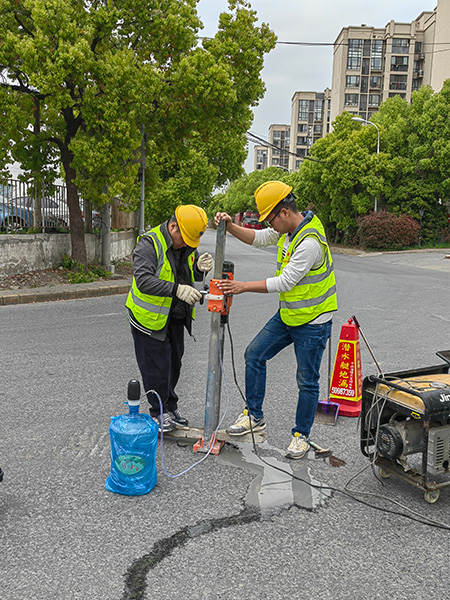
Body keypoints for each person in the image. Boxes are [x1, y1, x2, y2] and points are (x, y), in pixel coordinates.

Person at [215, 181, 337, 459]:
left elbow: (285, 281)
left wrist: (243, 286)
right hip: (289, 315)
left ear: (284, 212)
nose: (270, 225)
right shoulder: (289, 230)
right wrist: (230, 226)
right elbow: (259, 238)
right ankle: (254, 417)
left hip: (314, 321)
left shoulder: (309, 242)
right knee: (254, 354)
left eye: (270, 218)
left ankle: (301, 436)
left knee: (307, 381)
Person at [126, 205, 213, 432]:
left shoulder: (183, 242)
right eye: (184, 240)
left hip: (174, 317)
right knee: (157, 368)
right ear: (172, 226)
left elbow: (184, 273)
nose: (186, 245)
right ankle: (158, 412)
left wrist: (198, 270)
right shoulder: (149, 243)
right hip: (149, 319)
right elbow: (144, 280)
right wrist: (177, 290)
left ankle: (170, 405)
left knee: (173, 364)